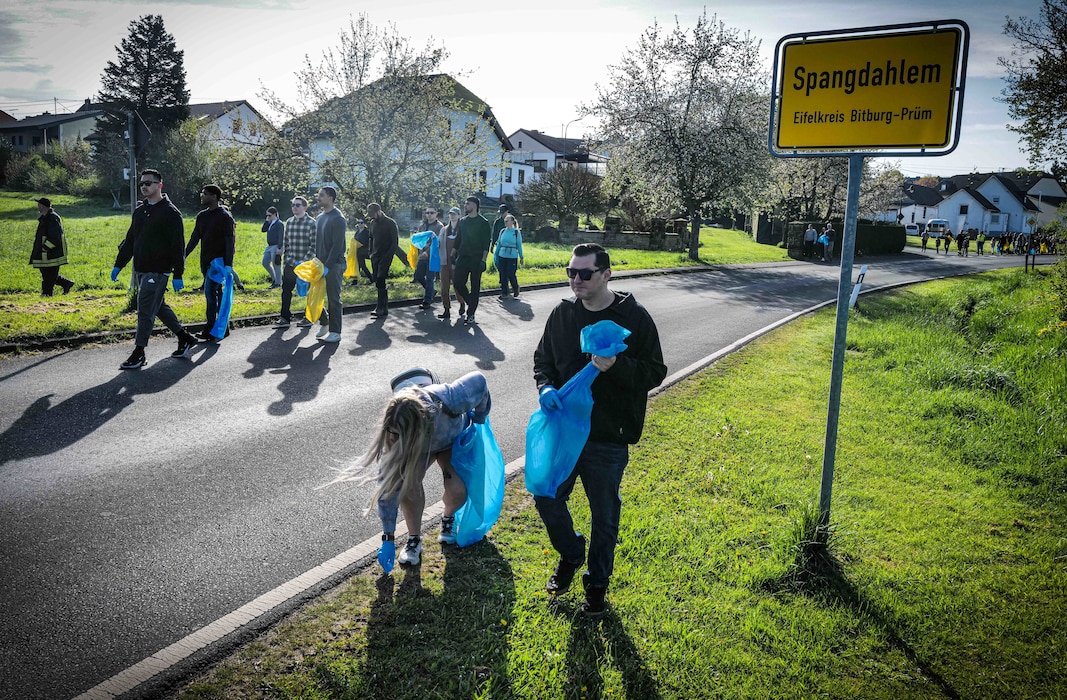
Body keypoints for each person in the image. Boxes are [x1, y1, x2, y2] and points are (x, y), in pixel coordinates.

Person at [532, 242, 667, 616]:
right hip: (563, 431)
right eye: (571, 272)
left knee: (604, 514)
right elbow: (543, 359)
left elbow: (655, 372)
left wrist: (616, 367)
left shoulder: (635, 318)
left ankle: (596, 585)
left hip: (607, 434)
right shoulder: (562, 315)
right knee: (545, 496)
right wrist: (544, 386)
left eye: (584, 273)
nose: (576, 279)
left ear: (606, 274)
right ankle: (572, 554)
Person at [333, 368, 492, 569]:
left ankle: (448, 518)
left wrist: (479, 419)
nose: (394, 439)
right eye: (393, 434)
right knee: (408, 486)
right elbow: (388, 489)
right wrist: (388, 539)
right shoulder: (396, 436)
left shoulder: (450, 399)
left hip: (450, 440)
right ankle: (414, 539)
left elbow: (479, 381)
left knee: (458, 489)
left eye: (400, 435)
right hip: (420, 447)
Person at [111, 168, 198, 370]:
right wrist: (119, 264)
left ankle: (139, 352)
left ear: (159, 185)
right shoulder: (140, 211)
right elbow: (131, 240)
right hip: (141, 269)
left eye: (148, 183)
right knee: (157, 307)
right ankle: (185, 338)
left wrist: (178, 274)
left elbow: (178, 246)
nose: (144, 186)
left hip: (159, 270)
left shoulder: (171, 213)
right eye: (141, 183)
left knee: (145, 310)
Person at [184, 184, 235, 341]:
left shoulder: (224, 217)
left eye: (204, 193)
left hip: (218, 263)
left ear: (214, 196)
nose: (202, 196)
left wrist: (228, 264)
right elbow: (195, 237)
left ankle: (210, 329)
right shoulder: (202, 216)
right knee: (214, 294)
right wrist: (184, 255)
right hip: (206, 261)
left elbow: (229, 242)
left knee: (212, 294)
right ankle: (222, 328)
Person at [273, 195, 317, 328]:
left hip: (306, 264)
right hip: (290, 263)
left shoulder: (312, 223)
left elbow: (314, 245)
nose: (294, 208)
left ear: (305, 207)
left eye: (298, 205)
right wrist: (288, 260)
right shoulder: (289, 222)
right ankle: (285, 318)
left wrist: (303, 262)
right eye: (293, 205)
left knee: (308, 292)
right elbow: (286, 243)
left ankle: (308, 318)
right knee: (286, 290)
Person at [314, 186, 347, 343]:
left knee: (333, 298)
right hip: (320, 263)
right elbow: (318, 242)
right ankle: (325, 322)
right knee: (314, 294)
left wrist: (327, 265)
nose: (318, 197)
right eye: (319, 195)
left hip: (334, 265)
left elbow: (337, 246)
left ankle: (336, 332)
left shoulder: (338, 219)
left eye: (322, 195)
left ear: (331, 198)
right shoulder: (320, 218)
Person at [453, 196, 492, 325]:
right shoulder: (463, 221)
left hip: (476, 259)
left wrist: (483, 260)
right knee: (458, 283)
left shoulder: (483, 222)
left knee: (475, 287)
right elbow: (458, 239)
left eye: (467, 204)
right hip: (463, 257)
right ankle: (471, 303)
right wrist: (452, 254)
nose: (465, 206)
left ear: (474, 206)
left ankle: (471, 314)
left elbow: (486, 243)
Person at [30, 197, 74, 295]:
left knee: (50, 274)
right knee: (47, 273)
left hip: (53, 252)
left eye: (39, 204)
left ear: (43, 206)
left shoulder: (53, 218)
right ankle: (66, 283)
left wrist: (46, 247)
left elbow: (55, 237)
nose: (38, 206)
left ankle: (47, 294)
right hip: (45, 252)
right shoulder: (45, 217)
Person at [366, 202, 399, 319]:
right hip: (375, 255)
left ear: (379, 212)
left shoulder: (390, 223)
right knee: (377, 280)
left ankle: (379, 307)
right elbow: (370, 238)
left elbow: (394, 243)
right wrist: (370, 252)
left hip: (386, 256)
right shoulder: (372, 223)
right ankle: (384, 307)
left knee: (381, 278)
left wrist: (388, 256)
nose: (371, 217)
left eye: (373, 214)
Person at [414, 205, 444, 310]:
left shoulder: (439, 227)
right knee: (418, 276)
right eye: (427, 213)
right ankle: (431, 291)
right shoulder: (422, 225)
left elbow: (438, 243)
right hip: (422, 256)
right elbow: (418, 239)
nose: (429, 215)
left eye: (432, 213)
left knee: (430, 278)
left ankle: (427, 301)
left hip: (432, 257)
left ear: (436, 214)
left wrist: (427, 251)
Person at [437, 206, 462, 320]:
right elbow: (439, 244)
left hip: (457, 263)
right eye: (450, 214)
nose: (452, 216)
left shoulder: (462, 230)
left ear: (459, 216)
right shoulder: (443, 230)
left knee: (458, 287)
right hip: (444, 262)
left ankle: (462, 303)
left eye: (454, 214)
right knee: (444, 288)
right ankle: (446, 309)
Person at [494, 213, 524, 299]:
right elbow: (499, 243)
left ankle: (515, 287)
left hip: (512, 256)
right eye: (505, 221)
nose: (505, 222)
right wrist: (496, 254)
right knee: (502, 274)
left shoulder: (516, 232)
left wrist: (521, 257)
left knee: (511, 273)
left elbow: (519, 245)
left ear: (512, 222)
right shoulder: (502, 231)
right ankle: (504, 292)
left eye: (507, 221)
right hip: (502, 255)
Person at [262, 207, 284, 288]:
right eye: (267, 215)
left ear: (275, 214)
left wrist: (279, 248)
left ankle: (278, 283)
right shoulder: (270, 222)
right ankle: (274, 279)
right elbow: (263, 230)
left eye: (269, 215)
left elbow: (281, 236)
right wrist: (266, 222)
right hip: (269, 246)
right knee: (265, 263)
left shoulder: (279, 224)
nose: (268, 217)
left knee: (276, 264)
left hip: (276, 246)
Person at [353, 218, 372, 283]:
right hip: (358, 251)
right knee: (360, 265)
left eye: (361, 222)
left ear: (364, 224)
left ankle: (356, 280)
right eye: (359, 222)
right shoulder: (357, 232)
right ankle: (356, 280)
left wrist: (359, 243)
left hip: (365, 251)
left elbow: (367, 242)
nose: (360, 224)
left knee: (360, 265)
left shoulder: (367, 232)